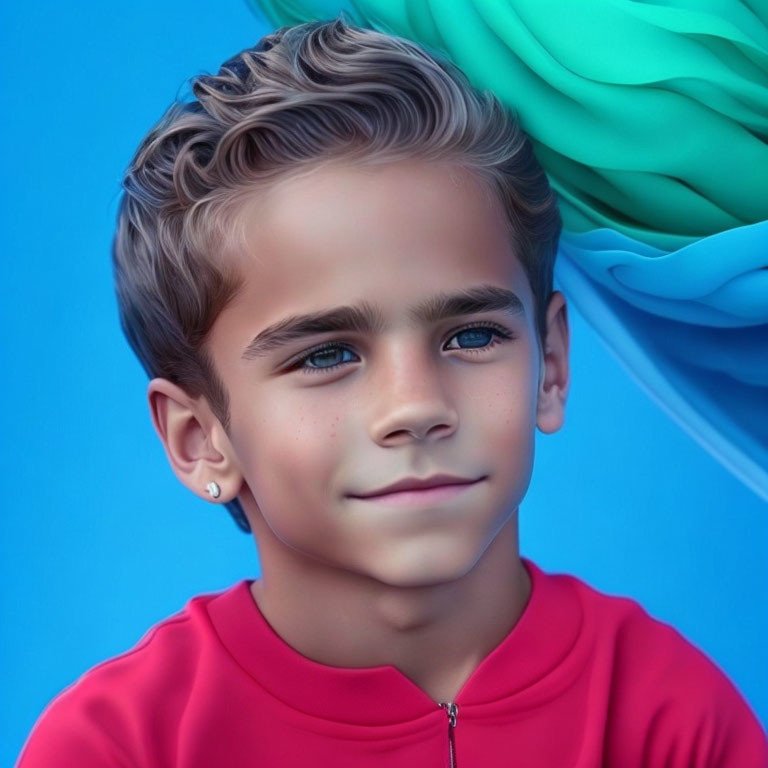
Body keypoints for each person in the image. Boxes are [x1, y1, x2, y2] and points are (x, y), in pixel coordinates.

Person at [16, 16, 768, 768]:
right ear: (197, 437)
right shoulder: (117, 747)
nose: (416, 406)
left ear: (551, 362)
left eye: (471, 336)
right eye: (327, 354)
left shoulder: (671, 724)